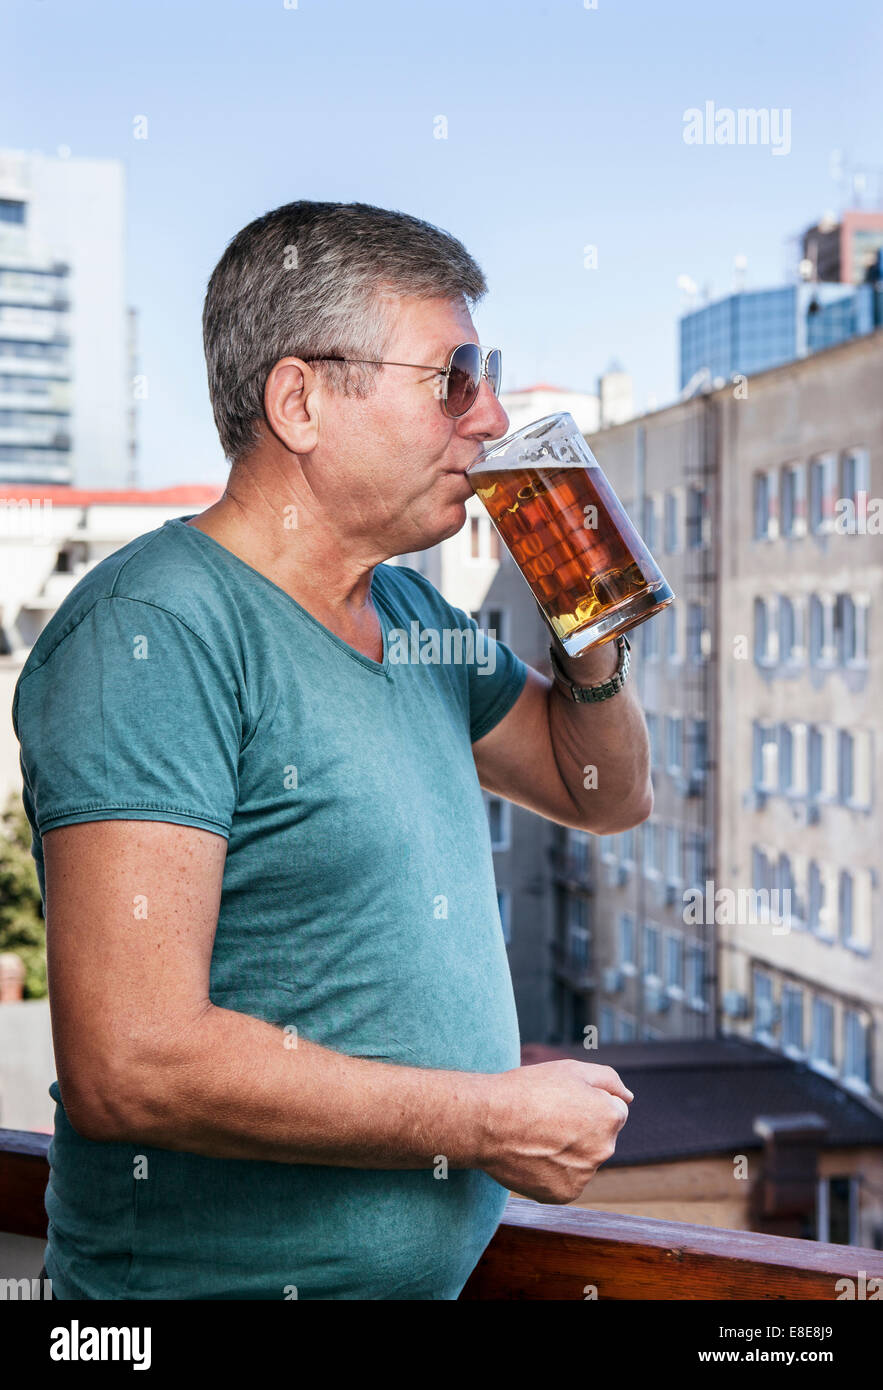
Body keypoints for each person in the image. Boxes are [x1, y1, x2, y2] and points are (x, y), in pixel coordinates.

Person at [14, 201, 651, 1300]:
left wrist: (587, 627)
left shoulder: (409, 609)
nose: (491, 417)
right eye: (451, 378)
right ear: (300, 401)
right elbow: (131, 1063)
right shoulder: (154, 636)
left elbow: (602, 794)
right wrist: (489, 1119)